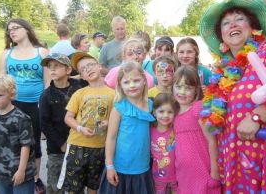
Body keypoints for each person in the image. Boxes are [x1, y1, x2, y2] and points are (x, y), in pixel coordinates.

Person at [200, 0, 266, 192]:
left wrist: (258, 115)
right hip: (238, 171)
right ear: (221, 35)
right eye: (226, 23)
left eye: (239, 19)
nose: (232, 25)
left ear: (253, 25)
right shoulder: (221, 74)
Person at [0, 18, 49, 193]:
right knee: (12, 141)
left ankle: (34, 178)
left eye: (15, 28)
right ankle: (14, 172)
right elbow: (1, 82)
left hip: (35, 105)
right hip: (12, 104)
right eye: (9, 30)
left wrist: (44, 108)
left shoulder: (41, 52)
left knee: (33, 142)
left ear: (26, 29)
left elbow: (47, 83)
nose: (11, 31)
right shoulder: (6, 53)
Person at [57, 51, 115, 194]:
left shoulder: (114, 94)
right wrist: (79, 128)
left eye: (90, 65)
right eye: (83, 69)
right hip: (77, 145)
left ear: (99, 67)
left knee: (93, 186)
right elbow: (68, 118)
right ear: (81, 76)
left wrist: (108, 123)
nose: (88, 69)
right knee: (73, 188)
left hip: (100, 147)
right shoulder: (79, 93)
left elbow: (117, 118)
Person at [99, 61, 155, 194]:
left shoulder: (151, 106)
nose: (132, 85)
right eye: (126, 82)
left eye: (136, 80)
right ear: (120, 86)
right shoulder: (119, 108)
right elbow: (111, 138)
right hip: (121, 168)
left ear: (144, 81)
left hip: (143, 166)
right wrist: (110, 166)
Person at [172, 66, 221, 193]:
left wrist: (215, 171)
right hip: (184, 174)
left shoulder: (198, 108)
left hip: (203, 170)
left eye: (188, 88)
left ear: (196, 90)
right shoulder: (174, 112)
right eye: (178, 87)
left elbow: (212, 140)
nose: (182, 92)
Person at [39, 53, 82, 194]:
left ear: (68, 70)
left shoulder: (79, 88)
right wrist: (61, 143)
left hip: (79, 144)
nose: (52, 69)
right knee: (55, 186)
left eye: (57, 66)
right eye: (50, 67)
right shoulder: (46, 95)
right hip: (56, 149)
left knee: (77, 185)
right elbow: (44, 124)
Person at [0, 75, 36, 194]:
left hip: (21, 173)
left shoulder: (22, 118)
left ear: (12, 95)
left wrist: (21, 170)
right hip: (1, 172)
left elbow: (26, 146)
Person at [151, 93, 178, 194]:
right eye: (161, 111)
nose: (165, 115)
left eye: (169, 112)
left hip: (177, 178)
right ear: (154, 112)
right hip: (158, 178)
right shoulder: (149, 131)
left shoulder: (176, 130)